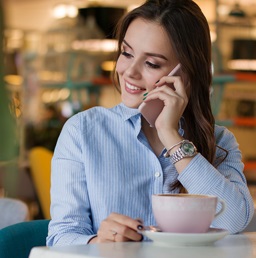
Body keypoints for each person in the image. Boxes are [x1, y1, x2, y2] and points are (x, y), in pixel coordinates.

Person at [47, 0, 254, 245]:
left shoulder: (219, 140)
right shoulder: (82, 131)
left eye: (152, 63)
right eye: (126, 53)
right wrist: (98, 242)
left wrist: (171, 136)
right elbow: (60, 236)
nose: (129, 71)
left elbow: (234, 222)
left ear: (185, 74)